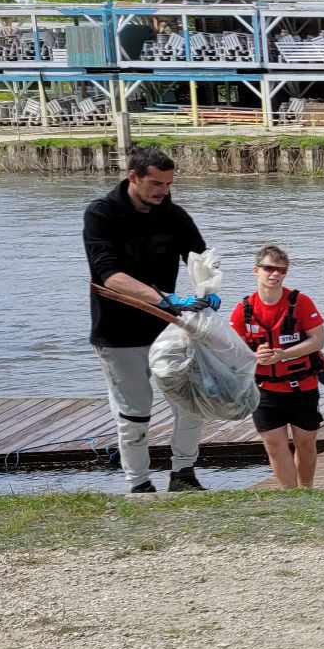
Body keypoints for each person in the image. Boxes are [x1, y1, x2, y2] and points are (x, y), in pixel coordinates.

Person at [83, 147, 217, 494]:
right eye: (156, 183)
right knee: (135, 413)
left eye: (169, 184)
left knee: (191, 403)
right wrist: (164, 298)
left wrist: (207, 289)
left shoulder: (173, 214)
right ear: (133, 177)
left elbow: (201, 258)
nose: (163, 191)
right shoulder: (102, 214)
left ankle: (184, 475)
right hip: (117, 332)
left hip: (169, 330)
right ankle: (139, 484)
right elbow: (108, 275)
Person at [230, 245, 324, 489]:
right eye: (269, 269)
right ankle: (290, 496)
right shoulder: (244, 309)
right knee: (274, 443)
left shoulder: (301, 302)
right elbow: (233, 351)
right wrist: (255, 356)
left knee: (305, 442)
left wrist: (283, 355)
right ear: (256, 270)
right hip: (264, 389)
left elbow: (317, 340)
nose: (275, 274)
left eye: (281, 270)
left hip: (301, 386)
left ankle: (306, 489)